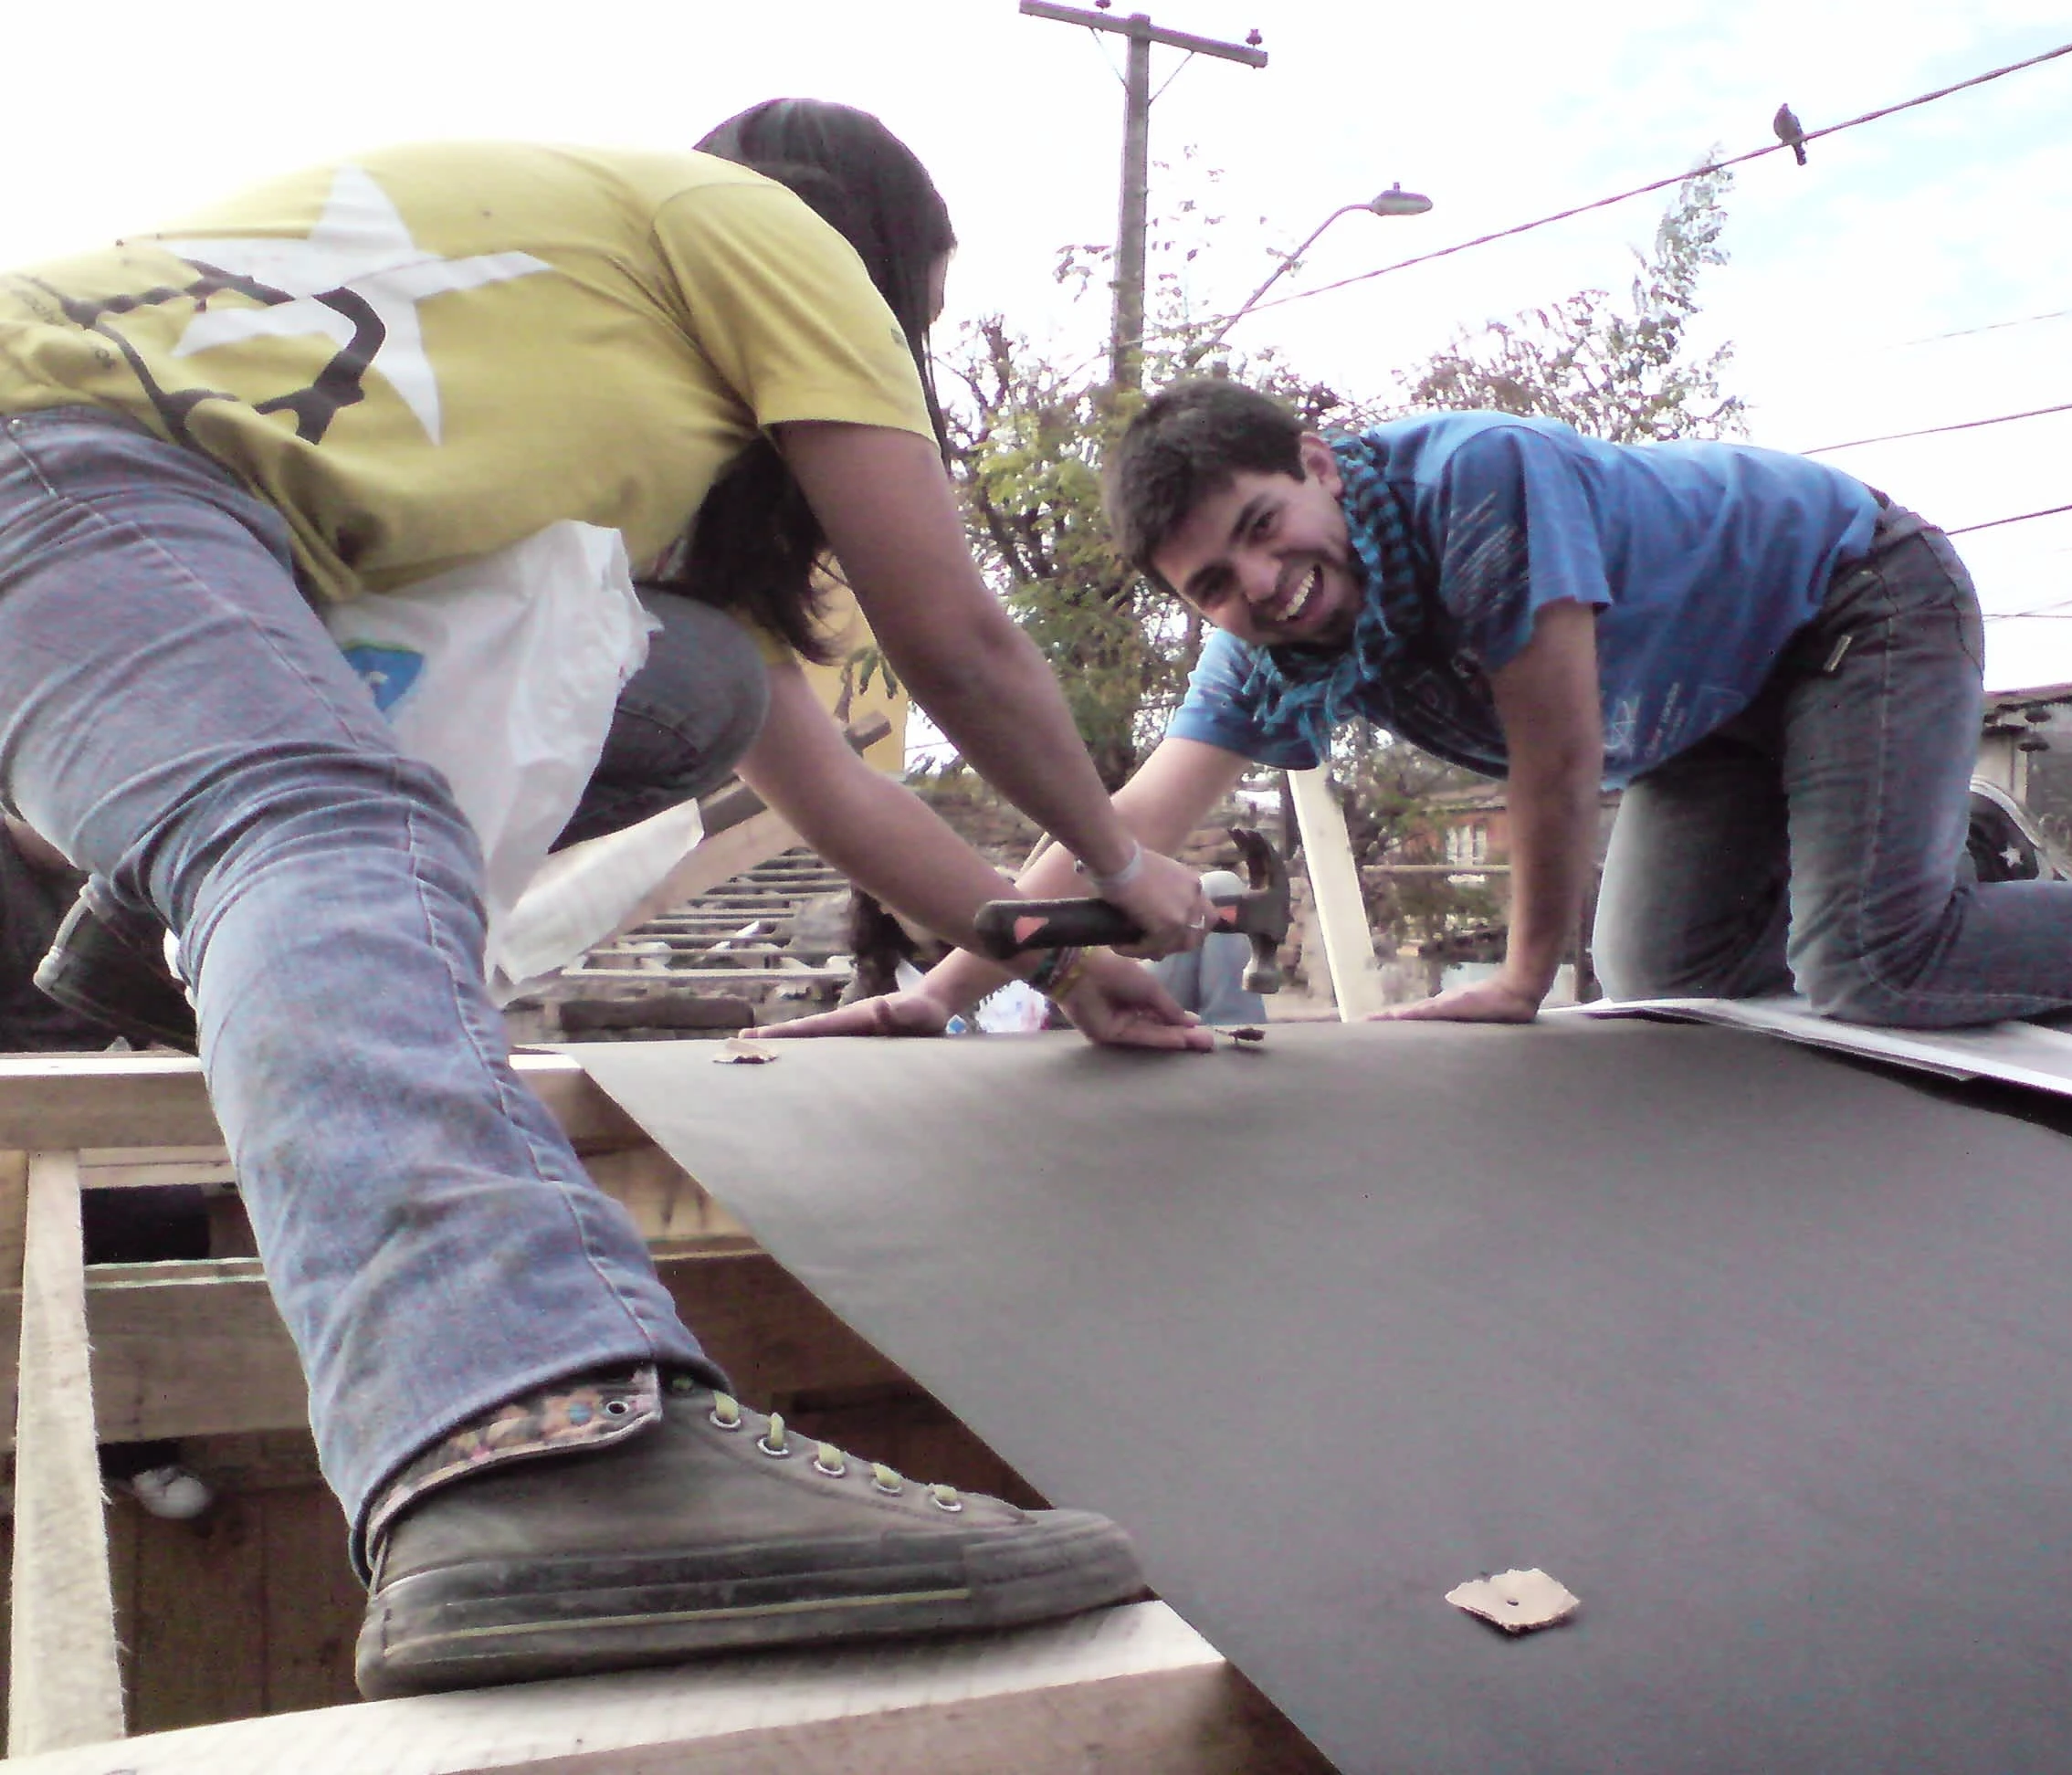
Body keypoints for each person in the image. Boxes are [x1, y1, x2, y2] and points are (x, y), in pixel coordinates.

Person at [0, 100, 1221, 1699]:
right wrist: (1127, 869)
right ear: (893, 267)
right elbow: (955, 638)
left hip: (169, 527)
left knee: (688, 683)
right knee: (319, 820)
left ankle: (190, 928)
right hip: (70, 468)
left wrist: (1050, 956)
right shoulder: (764, 231)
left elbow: (813, 771)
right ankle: (528, 1442)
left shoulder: (571, 369)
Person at [791, 377, 2072, 1044]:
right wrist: (943, 997)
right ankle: (1954, 859)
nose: (1262, 588)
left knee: (1861, 965)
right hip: (1728, 715)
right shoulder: (1262, 652)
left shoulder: (1475, 488)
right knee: (1667, 979)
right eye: (1214, 582)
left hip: (1856, 603)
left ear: (1320, 465)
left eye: (1267, 528)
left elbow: (1559, 756)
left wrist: (1526, 974)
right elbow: (1118, 827)